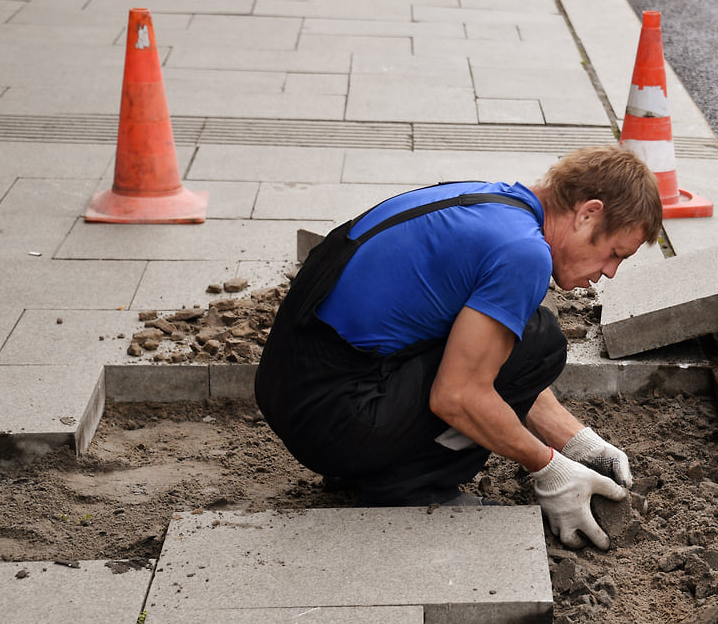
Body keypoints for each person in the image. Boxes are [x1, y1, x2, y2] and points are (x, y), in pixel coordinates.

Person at [255, 145, 663, 551]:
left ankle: (369, 466)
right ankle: (408, 488)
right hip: (331, 422)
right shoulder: (524, 254)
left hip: (295, 392)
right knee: (542, 341)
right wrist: (549, 467)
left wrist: (578, 443)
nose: (609, 271)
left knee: (526, 340)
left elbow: (486, 359)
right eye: (614, 253)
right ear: (588, 214)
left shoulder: (492, 205)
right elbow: (458, 394)